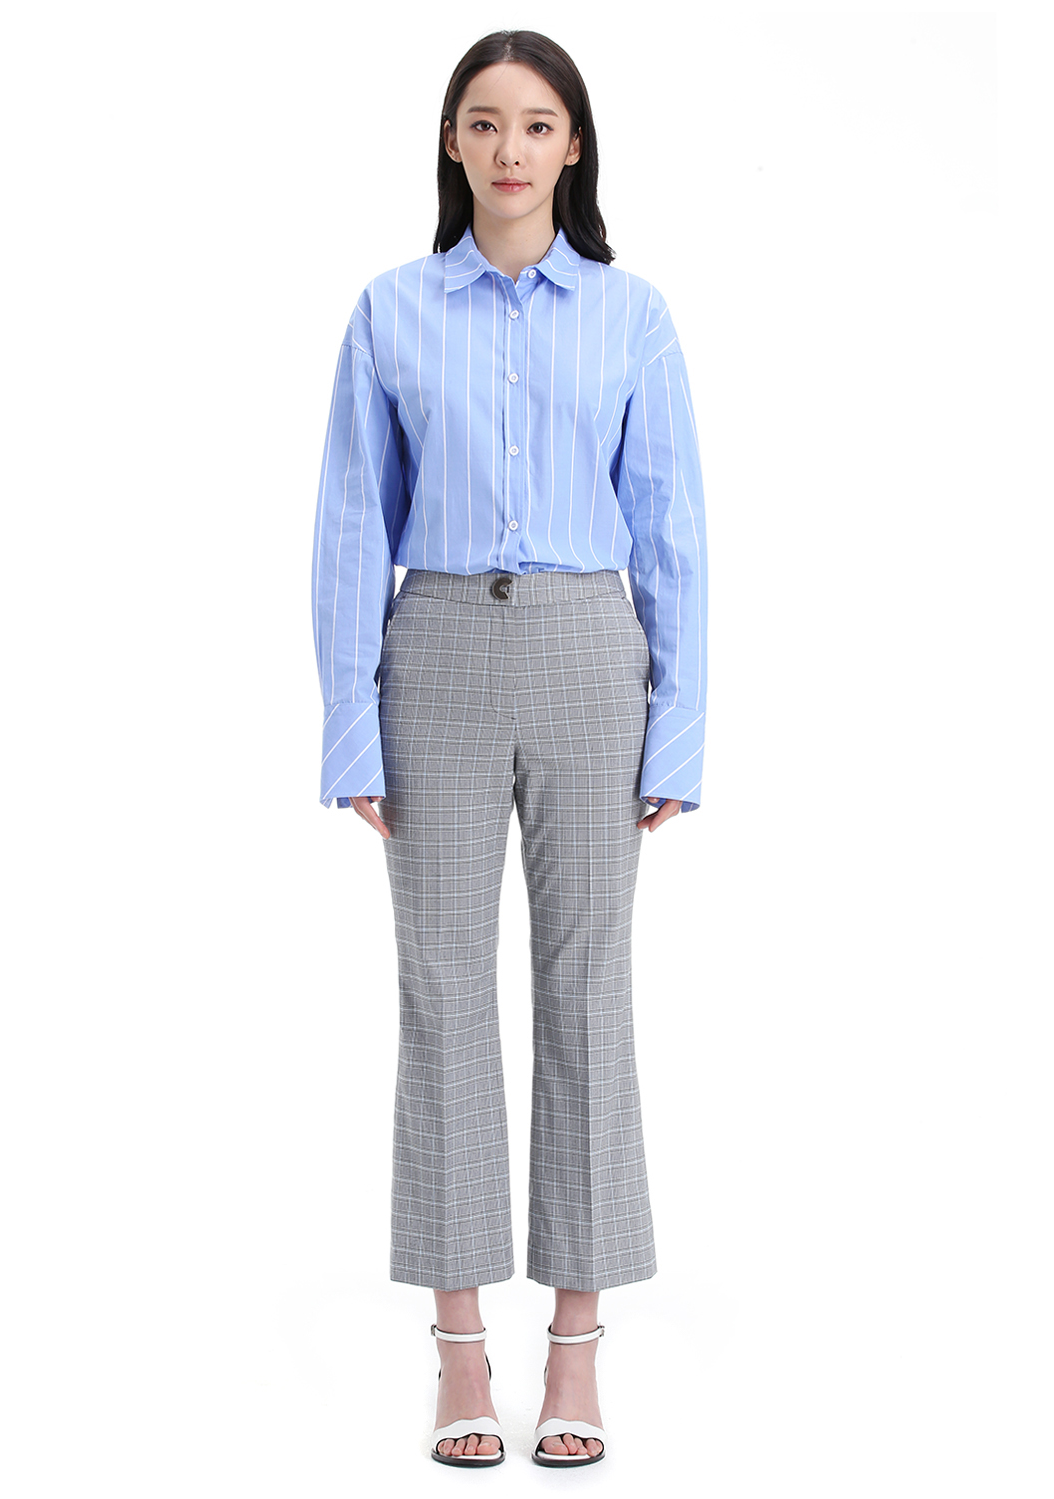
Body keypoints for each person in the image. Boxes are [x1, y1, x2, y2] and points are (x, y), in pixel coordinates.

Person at [310, 29, 707, 1469]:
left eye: (537, 124)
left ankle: (579, 1349)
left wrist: (682, 727)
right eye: (485, 122)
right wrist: (350, 722)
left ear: (573, 145)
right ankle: (461, 1349)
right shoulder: (392, 310)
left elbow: (672, 527)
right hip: (436, 656)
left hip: (593, 654)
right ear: (452, 143)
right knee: (440, 991)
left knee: (588, 991)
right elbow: (352, 523)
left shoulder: (632, 314)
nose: (511, 148)